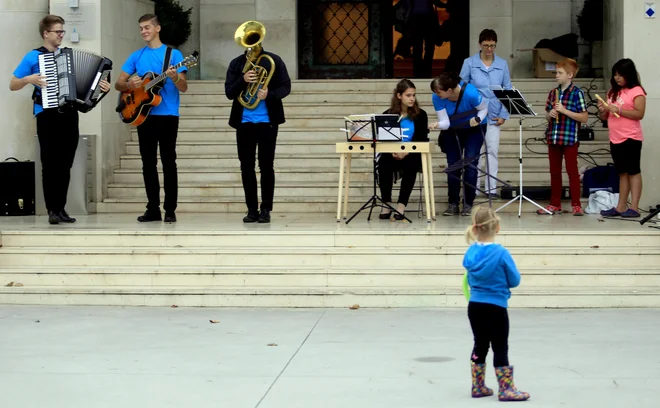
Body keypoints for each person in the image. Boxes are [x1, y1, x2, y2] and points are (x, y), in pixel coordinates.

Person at [9, 14, 111, 225]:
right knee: (50, 164)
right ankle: (52, 210)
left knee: (65, 164)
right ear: (46, 33)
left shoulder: (68, 57)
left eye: (62, 31)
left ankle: (61, 208)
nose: (61, 35)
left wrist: (102, 89)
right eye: (58, 31)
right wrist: (30, 79)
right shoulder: (33, 57)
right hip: (46, 115)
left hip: (69, 115)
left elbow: (87, 89)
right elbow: (13, 84)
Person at [115, 14, 188, 224]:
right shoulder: (136, 56)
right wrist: (130, 85)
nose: (143, 31)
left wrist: (174, 77)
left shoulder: (173, 55)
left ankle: (170, 210)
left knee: (168, 162)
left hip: (168, 115)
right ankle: (153, 208)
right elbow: (118, 84)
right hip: (143, 116)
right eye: (141, 28)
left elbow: (183, 86)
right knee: (148, 163)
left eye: (147, 27)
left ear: (158, 28)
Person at [225, 25, 291, 224]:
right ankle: (251, 209)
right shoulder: (237, 64)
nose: (252, 45)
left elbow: (286, 86)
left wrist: (269, 95)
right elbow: (229, 93)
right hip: (244, 123)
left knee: (266, 166)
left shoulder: (273, 60)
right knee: (246, 167)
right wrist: (243, 80)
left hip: (267, 123)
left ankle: (266, 209)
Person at [463, 206, 530, 401]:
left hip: (475, 306)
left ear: (475, 229)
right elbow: (515, 280)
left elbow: (469, 277)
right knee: (500, 346)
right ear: (497, 227)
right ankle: (506, 388)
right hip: (496, 306)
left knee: (480, 344)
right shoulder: (501, 254)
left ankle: (478, 386)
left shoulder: (470, 253)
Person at [459, 29, 512, 199]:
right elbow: (462, 87)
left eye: (492, 46)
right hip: (474, 114)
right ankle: (473, 189)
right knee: (474, 152)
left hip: (494, 114)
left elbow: (507, 90)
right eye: (486, 45)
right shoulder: (469, 62)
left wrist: (504, 114)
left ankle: (491, 189)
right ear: (480, 44)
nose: (489, 49)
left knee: (492, 151)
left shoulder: (502, 64)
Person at [429, 72, 488, 216]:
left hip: (473, 128)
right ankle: (453, 203)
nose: (436, 94)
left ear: (449, 90)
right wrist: (437, 124)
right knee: (453, 165)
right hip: (453, 128)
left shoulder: (470, 93)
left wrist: (478, 119)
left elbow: (484, 109)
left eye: (439, 91)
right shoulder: (437, 97)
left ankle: (468, 203)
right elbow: (445, 122)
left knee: (470, 163)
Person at [597, 59, 646, 218]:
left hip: (631, 137)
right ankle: (620, 206)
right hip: (615, 138)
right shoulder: (612, 92)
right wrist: (603, 110)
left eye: (621, 75)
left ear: (629, 75)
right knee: (622, 173)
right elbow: (605, 117)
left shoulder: (636, 90)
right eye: (615, 74)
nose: (617, 78)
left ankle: (634, 207)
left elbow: (639, 114)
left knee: (633, 171)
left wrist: (620, 110)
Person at [538, 58, 588, 216]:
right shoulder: (553, 93)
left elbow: (584, 117)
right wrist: (550, 114)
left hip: (570, 138)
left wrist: (565, 111)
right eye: (556, 72)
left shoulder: (577, 93)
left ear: (570, 75)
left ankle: (576, 204)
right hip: (554, 137)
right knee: (554, 172)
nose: (556, 75)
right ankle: (555, 204)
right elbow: (547, 115)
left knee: (572, 172)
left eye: (560, 73)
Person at [378, 79, 429, 220]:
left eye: (414, 95)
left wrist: (406, 151)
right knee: (383, 163)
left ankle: (401, 205)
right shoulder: (388, 114)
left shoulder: (421, 115)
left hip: (411, 152)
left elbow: (421, 138)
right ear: (399, 96)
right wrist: (392, 151)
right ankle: (386, 203)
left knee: (411, 164)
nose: (412, 98)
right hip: (393, 151)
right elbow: (384, 139)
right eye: (408, 95)